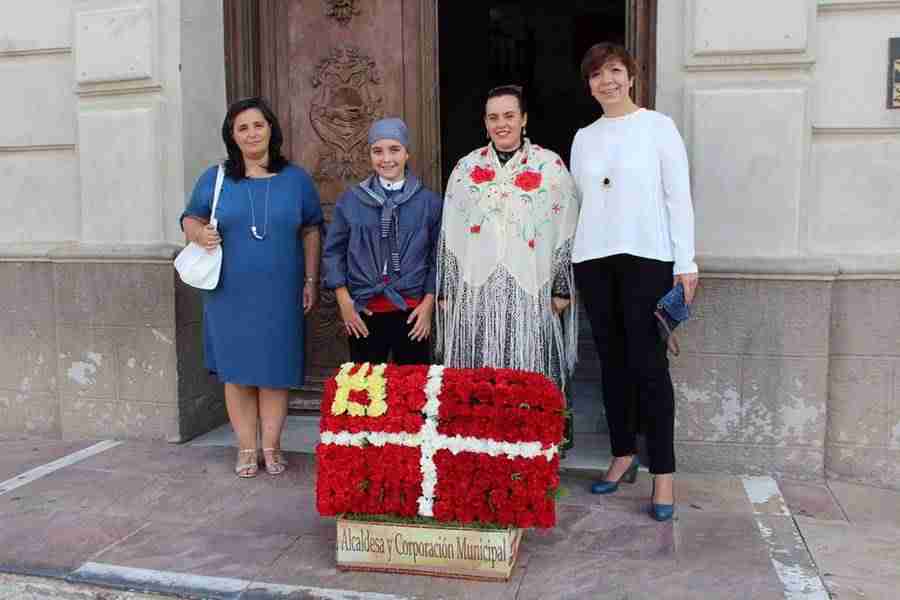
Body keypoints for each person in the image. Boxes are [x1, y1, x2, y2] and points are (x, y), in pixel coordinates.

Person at [569, 43, 698, 521]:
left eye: (616, 71)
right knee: (611, 363)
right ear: (589, 84)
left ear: (632, 76)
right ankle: (622, 452)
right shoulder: (583, 137)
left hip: (648, 259)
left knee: (649, 367)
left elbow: (677, 198)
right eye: (598, 74)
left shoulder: (658, 127)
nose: (608, 82)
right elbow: (578, 202)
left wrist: (687, 265)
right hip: (594, 260)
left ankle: (662, 474)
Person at [181, 97, 324, 478]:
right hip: (229, 291)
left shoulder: (296, 179)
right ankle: (246, 448)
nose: (251, 133)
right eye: (241, 127)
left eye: (257, 125)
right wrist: (199, 234)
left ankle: (272, 446)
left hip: (281, 291)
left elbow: (311, 229)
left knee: (275, 371)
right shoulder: (215, 178)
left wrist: (311, 280)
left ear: (271, 129)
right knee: (238, 372)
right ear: (232, 135)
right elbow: (189, 218)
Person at [436, 85, 579, 438]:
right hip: (477, 290)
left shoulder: (550, 166)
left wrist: (562, 288)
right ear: (485, 123)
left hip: (531, 289)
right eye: (493, 117)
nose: (502, 124)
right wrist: (448, 289)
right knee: (480, 372)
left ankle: (536, 443)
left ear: (524, 119)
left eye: (509, 116)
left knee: (530, 368)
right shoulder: (466, 169)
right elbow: (450, 232)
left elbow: (566, 227)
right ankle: (479, 444)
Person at [322, 118, 443, 364]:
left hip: (412, 312)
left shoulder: (429, 203)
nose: (386, 159)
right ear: (369, 155)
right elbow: (333, 252)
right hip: (364, 310)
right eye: (378, 151)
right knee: (365, 391)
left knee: (412, 389)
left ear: (407, 153)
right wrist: (344, 301)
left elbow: (436, 257)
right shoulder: (351, 201)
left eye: (394, 150)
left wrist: (428, 305)